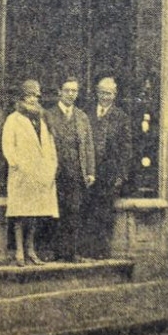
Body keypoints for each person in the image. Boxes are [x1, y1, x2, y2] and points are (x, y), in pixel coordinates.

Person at [1, 79, 59, 266]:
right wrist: (16, 163)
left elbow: (50, 145)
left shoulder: (43, 118)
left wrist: (51, 165)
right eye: (29, 95)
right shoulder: (14, 119)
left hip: (39, 173)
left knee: (34, 214)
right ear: (22, 97)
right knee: (20, 214)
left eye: (35, 96)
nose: (32, 99)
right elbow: (7, 145)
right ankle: (19, 251)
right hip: (22, 173)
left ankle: (31, 250)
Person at [45, 76, 95, 262]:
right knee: (53, 212)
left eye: (74, 91)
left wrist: (90, 172)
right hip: (55, 172)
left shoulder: (82, 117)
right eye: (67, 90)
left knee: (73, 212)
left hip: (76, 172)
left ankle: (71, 253)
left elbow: (88, 146)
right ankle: (53, 252)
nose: (71, 95)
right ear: (60, 92)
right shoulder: (48, 115)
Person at [87, 76, 132, 258]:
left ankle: (101, 250)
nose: (104, 96)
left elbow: (126, 149)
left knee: (104, 212)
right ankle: (86, 249)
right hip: (89, 171)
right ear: (97, 93)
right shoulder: (87, 114)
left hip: (109, 173)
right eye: (102, 92)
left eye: (108, 93)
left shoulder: (121, 118)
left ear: (114, 95)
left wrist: (121, 175)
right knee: (88, 209)